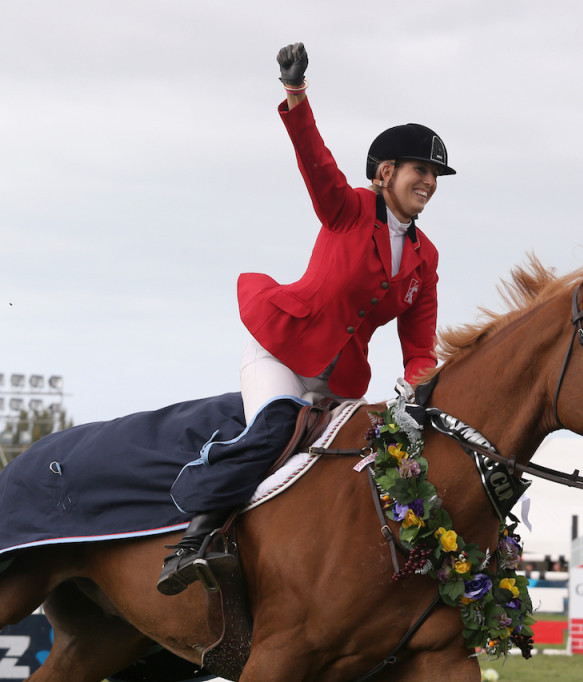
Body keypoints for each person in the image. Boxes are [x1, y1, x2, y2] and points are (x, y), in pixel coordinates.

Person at [157, 41, 456, 596]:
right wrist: (295, 94)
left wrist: (423, 393)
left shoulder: (426, 257)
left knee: (361, 465)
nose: (430, 183)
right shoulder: (345, 208)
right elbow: (314, 159)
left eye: (436, 176)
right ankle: (191, 541)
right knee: (275, 428)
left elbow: (419, 346)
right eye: (422, 170)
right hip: (282, 353)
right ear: (386, 173)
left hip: (341, 382)